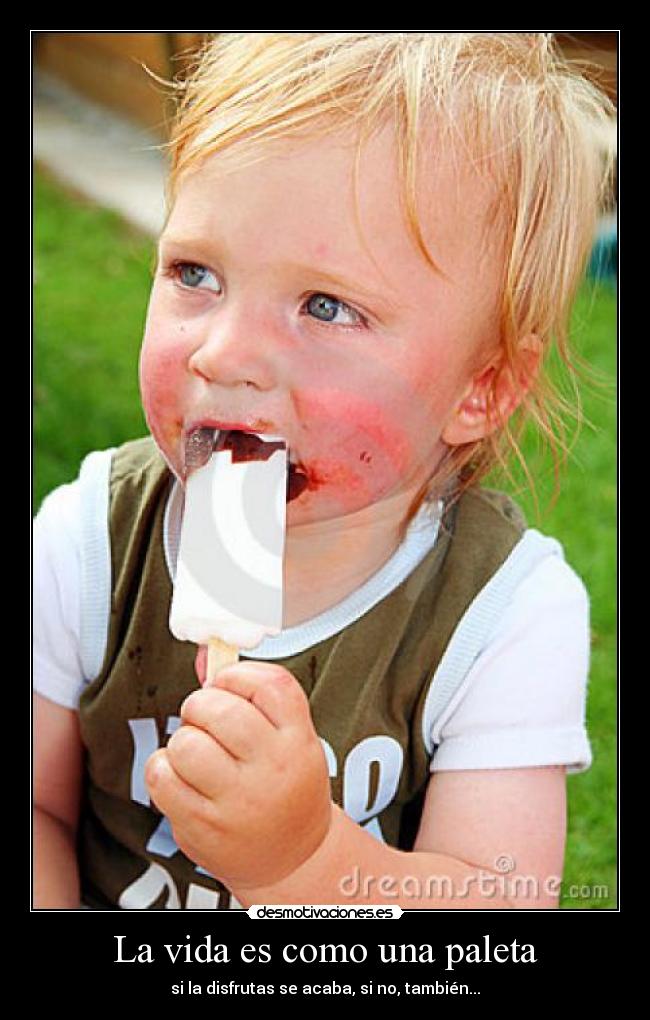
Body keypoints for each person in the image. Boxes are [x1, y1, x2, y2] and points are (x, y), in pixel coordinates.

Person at [33, 32, 615, 910]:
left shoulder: (505, 614)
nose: (225, 356)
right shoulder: (87, 545)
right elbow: (39, 805)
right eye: (196, 272)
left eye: (327, 306)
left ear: (482, 388)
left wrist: (302, 862)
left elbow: (502, 906)